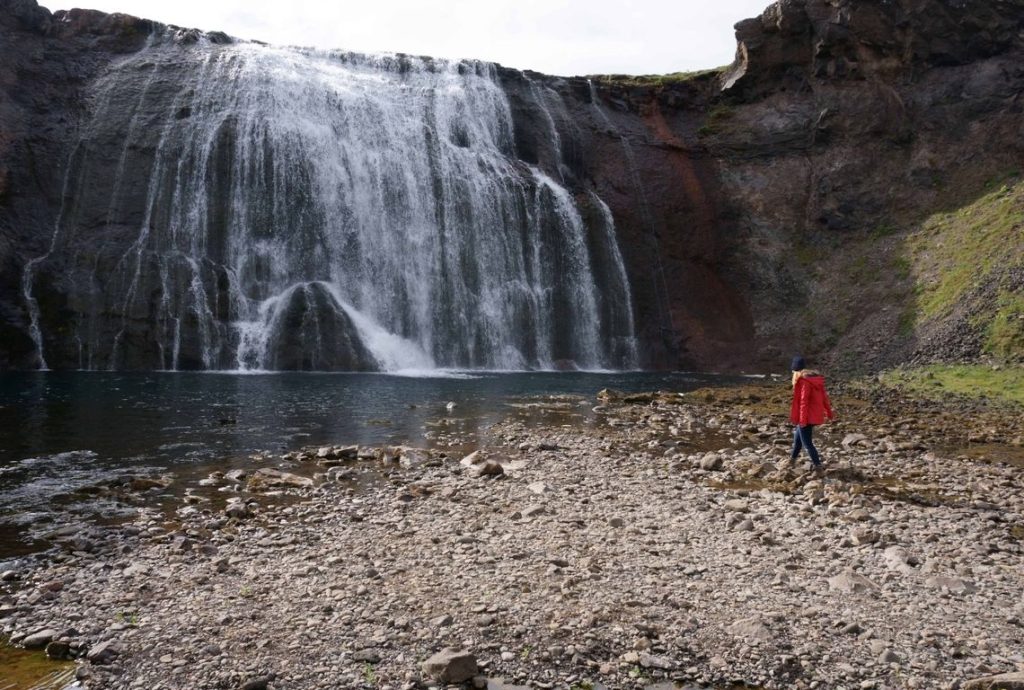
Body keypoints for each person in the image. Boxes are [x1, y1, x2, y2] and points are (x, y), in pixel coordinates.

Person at [789, 356, 834, 473]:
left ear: (796, 371)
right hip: (814, 415)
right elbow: (824, 398)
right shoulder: (815, 380)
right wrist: (829, 413)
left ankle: (818, 466)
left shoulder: (804, 382)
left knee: (807, 444)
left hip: (807, 417)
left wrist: (802, 420)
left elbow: (804, 402)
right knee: (798, 440)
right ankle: (791, 461)